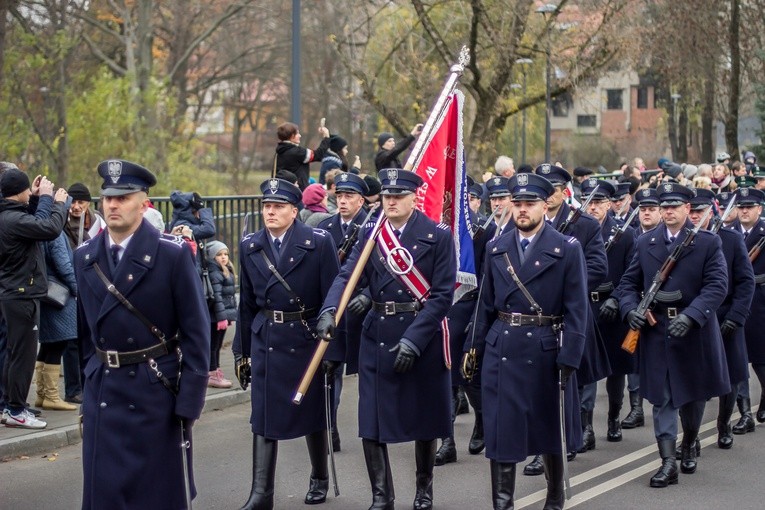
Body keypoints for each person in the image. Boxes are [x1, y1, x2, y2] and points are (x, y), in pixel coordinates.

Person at [74, 159, 210, 508]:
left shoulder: (172, 254)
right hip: (105, 388)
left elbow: (196, 332)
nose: (113, 205)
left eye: (124, 197)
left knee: (155, 494)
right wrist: (88, 382)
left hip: (153, 390)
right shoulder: (85, 256)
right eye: (108, 198)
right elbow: (86, 332)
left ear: (143, 202)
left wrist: (189, 401)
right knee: (106, 493)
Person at [317, 168, 456, 510]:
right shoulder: (371, 232)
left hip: (420, 335)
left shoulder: (437, 235)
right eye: (387, 196)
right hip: (377, 332)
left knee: (425, 419)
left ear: (414, 197)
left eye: (399, 196)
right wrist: (330, 310)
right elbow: (348, 275)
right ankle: (382, 495)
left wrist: (414, 339)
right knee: (372, 419)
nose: (391, 202)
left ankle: (424, 489)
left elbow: (441, 296)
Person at [467, 172, 587, 510]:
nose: (521, 210)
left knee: (549, 429)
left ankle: (554, 496)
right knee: (501, 431)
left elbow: (578, 310)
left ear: (545, 205)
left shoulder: (566, 249)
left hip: (546, 348)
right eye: (516, 203)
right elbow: (485, 304)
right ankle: (502, 503)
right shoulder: (496, 247)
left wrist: (570, 357)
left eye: (529, 203)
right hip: (502, 347)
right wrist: (473, 348)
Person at [234, 177, 342, 509]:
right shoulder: (250, 245)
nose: (270, 212)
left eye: (278, 207)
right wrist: (242, 351)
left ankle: (320, 477)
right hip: (267, 337)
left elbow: (332, 297)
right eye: (266, 206)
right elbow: (247, 304)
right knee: (263, 416)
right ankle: (261, 493)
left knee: (311, 414)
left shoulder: (318, 242)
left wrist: (334, 350)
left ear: (293, 211)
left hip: (306, 337)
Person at [616, 182, 729, 487]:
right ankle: (668, 462)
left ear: (687, 209)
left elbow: (717, 286)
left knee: (693, 397)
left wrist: (692, 316)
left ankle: (690, 440)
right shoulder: (645, 242)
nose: (667, 212)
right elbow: (627, 285)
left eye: (673, 207)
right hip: (657, 332)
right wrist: (631, 310)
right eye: (663, 207)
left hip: (693, 333)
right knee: (663, 400)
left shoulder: (706, 243)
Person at [524, 164, 608, 473]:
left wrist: (566, 282)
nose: (550, 193)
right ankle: (541, 447)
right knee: (539, 385)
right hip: (535, 318)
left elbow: (599, 267)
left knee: (575, 379)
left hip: (569, 313)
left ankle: (578, 429)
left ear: (564, 192)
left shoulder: (583, 225)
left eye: (555, 188)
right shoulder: (526, 223)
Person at [687, 188, 754, 449]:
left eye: (699, 211)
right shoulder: (686, 241)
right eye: (691, 211)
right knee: (698, 378)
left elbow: (745, 283)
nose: (694, 216)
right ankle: (691, 437)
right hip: (699, 319)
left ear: (711, 211)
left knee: (733, 377)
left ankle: (724, 424)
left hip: (726, 315)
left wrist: (736, 317)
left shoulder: (731, 239)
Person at [0, 170, 68, 429]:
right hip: (21, 294)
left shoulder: (8, 215)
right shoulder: (12, 219)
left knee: (13, 352)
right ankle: (16, 410)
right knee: (23, 355)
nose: (31, 193)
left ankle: (10, 405)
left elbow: (33, 221)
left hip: (13, 292)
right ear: (18, 192)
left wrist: (39, 198)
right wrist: (55, 201)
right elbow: (48, 228)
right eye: (28, 190)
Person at [317, 172, 370, 452]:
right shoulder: (326, 227)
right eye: (339, 195)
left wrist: (369, 295)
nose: (343, 200)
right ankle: (330, 428)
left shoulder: (372, 227)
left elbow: (386, 270)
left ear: (361, 200)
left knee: (369, 373)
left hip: (363, 313)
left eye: (349, 196)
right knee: (330, 369)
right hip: (336, 311)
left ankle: (371, 429)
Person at [582, 179, 636, 443]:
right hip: (586, 305)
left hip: (612, 308)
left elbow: (631, 275)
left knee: (616, 370)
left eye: (598, 202)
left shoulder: (624, 234)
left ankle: (614, 416)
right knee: (586, 367)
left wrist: (616, 299)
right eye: (589, 201)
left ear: (608, 205)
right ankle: (586, 426)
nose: (593, 207)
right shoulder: (575, 233)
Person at [729, 187, 765, 434]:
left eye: (749, 207)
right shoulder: (729, 234)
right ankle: (745, 413)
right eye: (740, 207)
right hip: (735, 301)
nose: (744, 211)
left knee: (761, 359)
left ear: (759, 209)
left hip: (761, 301)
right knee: (738, 359)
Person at [36, 224, 79, 411]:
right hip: (59, 295)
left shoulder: (39, 226)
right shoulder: (55, 232)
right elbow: (64, 265)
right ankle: (51, 397)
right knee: (58, 343)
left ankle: (42, 394)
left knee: (47, 344)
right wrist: (77, 289)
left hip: (45, 292)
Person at [205, 240, 236, 389]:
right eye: (219, 255)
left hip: (221, 317)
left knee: (217, 345)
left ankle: (216, 369)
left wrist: (228, 316)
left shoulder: (226, 270)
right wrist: (222, 317)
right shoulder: (215, 273)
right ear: (212, 257)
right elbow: (217, 297)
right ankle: (211, 373)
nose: (223, 257)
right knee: (214, 345)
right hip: (215, 318)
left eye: (225, 254)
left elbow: (229, 298)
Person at [64, 182, 106, 248]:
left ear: (88, 203)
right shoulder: (64, 222)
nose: (76, 207)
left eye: (80, 202)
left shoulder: (98, 217)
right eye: (73, 202)